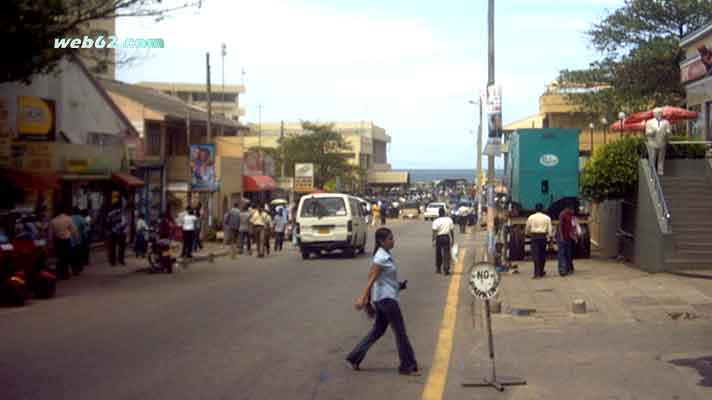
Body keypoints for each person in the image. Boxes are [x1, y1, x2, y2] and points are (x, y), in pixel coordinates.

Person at [346, 227, 419, 376]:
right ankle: (407, 365)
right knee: (400, 333)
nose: (393, 241)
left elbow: (383, 279)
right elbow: (371, 278)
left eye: (392, 238)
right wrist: (364, 297)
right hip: (387, 300)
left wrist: (398, 285)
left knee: (378, 330)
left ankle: (354, 357)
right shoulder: (381, 258)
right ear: (381, 241)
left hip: (382, 298)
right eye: (390, 238)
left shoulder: (384, 254)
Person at [49, 206, 79, 280]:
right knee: (69, 256)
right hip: (66, 240)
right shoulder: (68, 219)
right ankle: (70, 272)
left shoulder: (53, 221)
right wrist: (77, 239)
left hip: (57, 241)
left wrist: (50, 243)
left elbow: (50, 234)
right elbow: (74, 230)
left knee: (60, 258)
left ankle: (61, 274)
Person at [525, 203, 553, 279]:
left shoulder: (531, 217)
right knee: (542, 255)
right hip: (543, 237)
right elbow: (550, 230)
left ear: (535, 209)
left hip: (534, 237)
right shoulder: (547, 218)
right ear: (542, 209)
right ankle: (541, 271)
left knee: (535, 255)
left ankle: (536, 273)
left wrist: (527, 234)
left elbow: (527, 228)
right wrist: (550, 238)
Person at [644, 107, 671, 176]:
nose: (660, 114)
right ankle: (652, 172)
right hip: (652, 143)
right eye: (658, 112)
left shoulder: (666, 122)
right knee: (652, 158)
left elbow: (669, 131)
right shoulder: (649, 122)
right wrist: (652, 132)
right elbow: (647, 133)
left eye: (661, 112)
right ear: (654, 114)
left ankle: (660, 171)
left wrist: (668, 132)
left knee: (661, 159)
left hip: (662, 143)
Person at [431, 207, 455, 275]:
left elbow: (434, 232)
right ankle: (446, 269)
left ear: (439, 213)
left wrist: (433, 240)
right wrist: (453, 239)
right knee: (446, 253)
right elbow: (451, 230)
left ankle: (438, 268)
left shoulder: (436, 221)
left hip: (439, 238)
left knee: (438, 253)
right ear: (444, 213)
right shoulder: (449, 220)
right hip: (446, 237)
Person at [105, 202, 128, 267]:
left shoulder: (110, 214)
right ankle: (119, 260)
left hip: (115, 232)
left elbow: (107, 223)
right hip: (118, 232)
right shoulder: (119, 214)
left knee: (113, 248)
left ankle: (114, 261)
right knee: (119, 247)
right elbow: (124, 223)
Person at [557, 207, 577, 276]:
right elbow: (560, 226)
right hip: (562, 237)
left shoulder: (572, 216)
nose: (573, 211)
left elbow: (573, 227)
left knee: (568, 253)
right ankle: (563, 269)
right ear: (568, 208)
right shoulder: (562, 214)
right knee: (562, 254)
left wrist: (574, 236)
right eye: (572, 209)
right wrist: (561, 237)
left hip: (568, 237)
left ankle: (568, 268)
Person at [71, 207, 89, 272]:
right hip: (79, 239)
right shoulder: (81, 218)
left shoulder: (70, 218)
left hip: (70, 239)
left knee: (73, 254)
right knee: (79, 253)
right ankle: (78, 267)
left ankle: (74, 267)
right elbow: (85, 228)